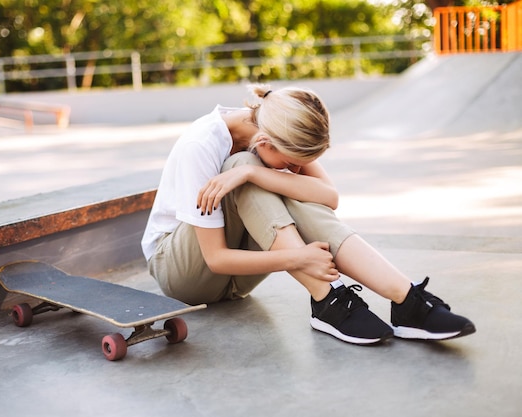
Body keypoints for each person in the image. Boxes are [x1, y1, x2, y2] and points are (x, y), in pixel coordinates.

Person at [141, 84, 475, 345]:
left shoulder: (281, 127)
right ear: (264, 141)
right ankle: (326, 298)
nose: (295, 168)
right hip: (182, 272)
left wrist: (259, 175)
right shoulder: (201, 146)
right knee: (241, 165)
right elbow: (215, 259)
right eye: (290, 161)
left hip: (236, 282)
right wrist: (297, 258)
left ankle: (406, 300)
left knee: (272, 182)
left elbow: (328, 197)